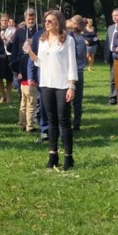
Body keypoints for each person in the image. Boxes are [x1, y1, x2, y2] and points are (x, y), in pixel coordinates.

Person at [26, 10, 77, 170]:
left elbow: (72, 65)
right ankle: (52, 155)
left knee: (64, 121)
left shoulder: (67, 40)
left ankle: (69, 157)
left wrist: (71, 86)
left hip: (62, 85)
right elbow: (40, 62)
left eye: (50, 21)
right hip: (46, 84)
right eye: (46, 21)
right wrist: (30, 52)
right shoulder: (42, 39)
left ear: (58, 22)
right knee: (51, 121)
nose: (47, 23)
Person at [11, 8, 45, 137]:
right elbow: (14, 52)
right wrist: (15, 69)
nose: (30, 20)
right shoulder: (19, 32)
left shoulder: (40, 31)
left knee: (35, 96)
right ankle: (23, 121)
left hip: (36, 66)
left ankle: (36, 118)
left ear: (35, 18)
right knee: (23, 96)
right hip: (22, 66)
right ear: (25, 19)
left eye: (32, 18)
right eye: (28, 18)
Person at [68, 15, 87, 131]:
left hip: (77, 71)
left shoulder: (78, 39)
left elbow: (77, 56)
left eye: (71, 20)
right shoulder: (69, 36)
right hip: (71, 70)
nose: (68, 21)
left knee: (77, 100)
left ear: (75, 25)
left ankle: (76, 123)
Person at [105, 8, 118, 105]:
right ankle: (113, 97)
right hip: (113, 55)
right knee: (113, 78)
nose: (115, 17)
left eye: (117, 15)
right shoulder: (110, 27)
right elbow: (108, 42)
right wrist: (106, 56)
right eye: (113, 16)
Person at [0, 14, 14, 105]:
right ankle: (3, 95)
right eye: (2, 20)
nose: (4, 22)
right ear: (0, 21)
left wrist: (6, 39)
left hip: (9, 55)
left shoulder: (13, 30)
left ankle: (9, 95)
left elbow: (13, 42)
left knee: (9, 77)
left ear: (8, 21)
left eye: (6, 20)